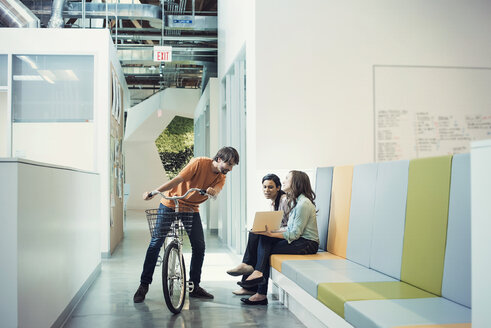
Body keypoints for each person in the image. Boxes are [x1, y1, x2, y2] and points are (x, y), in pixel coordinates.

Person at [133, 146, 240, 303]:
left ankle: (194, 286)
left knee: (199, 246)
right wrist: (154, 192)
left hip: (191, 208)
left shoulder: (221, 176)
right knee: (156, 242)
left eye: (232, 166)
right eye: (228, 164)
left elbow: (217, 190)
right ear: (218, 159)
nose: (230, 168)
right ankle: (143, 285)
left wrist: (212, 191)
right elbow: (178, 179)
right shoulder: (199, 163)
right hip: (170, 202)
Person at [238, 170, 319, 305]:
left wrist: (271, 234)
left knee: (265, 243)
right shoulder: (297, 201)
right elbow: (290, 229)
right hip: (300, 241)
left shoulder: (303, 204)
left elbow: (294, 234)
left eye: (287, 178)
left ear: (296, 183)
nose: (283, 181)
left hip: (307, 244)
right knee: (262, 238)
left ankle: (259, 287)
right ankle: (259, 288)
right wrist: (271, 233)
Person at [226, 173, 288, 296]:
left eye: (270, 187)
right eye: (264, 187)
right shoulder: (273, 202)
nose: (266, 190)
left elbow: (292, 227)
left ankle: (250, 280)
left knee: (262, 245)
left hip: (290, 238)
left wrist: (272, 232)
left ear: (278, 187)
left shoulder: (285, 201)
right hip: (279, 234)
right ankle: (246, 269)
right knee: (255, 231)